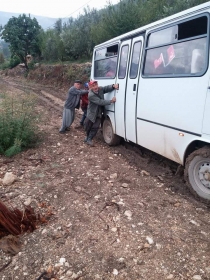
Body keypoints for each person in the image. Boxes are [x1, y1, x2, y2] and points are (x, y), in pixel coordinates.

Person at [84, 80, 118, 146]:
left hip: (99, 112)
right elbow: (100, 102)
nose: (95, 87)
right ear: (90, 87)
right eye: (93, 86)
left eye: (96, 85)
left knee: (96, 127)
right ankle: (87, 137)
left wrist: (113, 86)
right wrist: (111, 101)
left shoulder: (100, 89)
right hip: (92, 113)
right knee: (88, 126)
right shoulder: (90, 95)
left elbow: (106, 88)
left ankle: (89, 139)